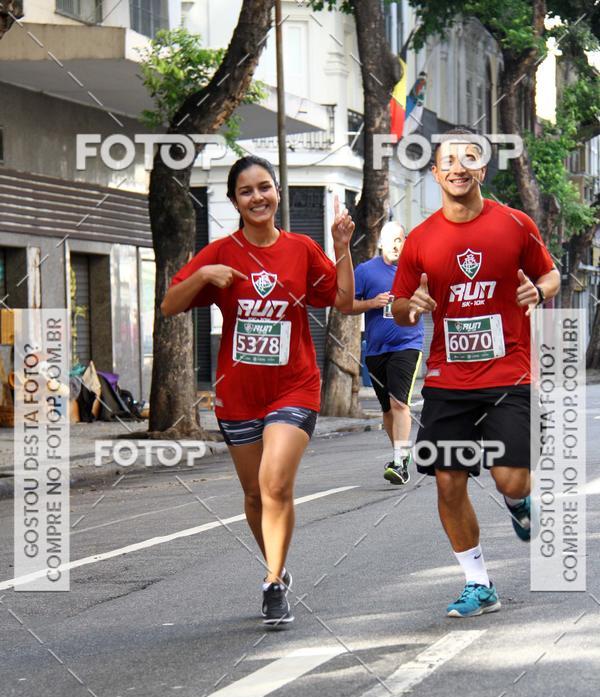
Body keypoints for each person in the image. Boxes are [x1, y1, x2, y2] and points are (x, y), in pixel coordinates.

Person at [161, 155, 355, 626]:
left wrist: (341, 248)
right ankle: (278, 566)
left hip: (294, 387)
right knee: (254, 496)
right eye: (246, 191)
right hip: (238, 394)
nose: (257, 197)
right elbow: (170, 305)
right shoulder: (220, 253)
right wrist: (203, 276)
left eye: (264, 187)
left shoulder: (301, 249)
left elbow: (343, 300)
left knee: (275, 483)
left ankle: (271, 584)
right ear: (234, 202)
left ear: (278, 193)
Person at [391, 127, 560, 618]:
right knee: (448, 481)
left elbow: (549, 273)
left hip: (510, 376)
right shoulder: (420, 240)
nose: (458, 168)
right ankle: (478, 582)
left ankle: (519, 503)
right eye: (449, 160)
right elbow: (399, 307)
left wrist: (539, 291)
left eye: (469, 158)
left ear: (482, 169)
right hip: (448, 380)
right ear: (435, 172)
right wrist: (411, 305)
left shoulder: (515, 224)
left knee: (511, 481)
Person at [348, 221, 424, 484]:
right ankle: (400, 454)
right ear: (380, 242)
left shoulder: (416, 271)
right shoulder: (365, 271)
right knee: (387, 409)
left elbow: (432, 298)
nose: (395, 245)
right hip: (376, 350)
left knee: (399, 403)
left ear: (406, 243)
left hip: (407, 344)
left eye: (400, 239)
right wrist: (372, 302)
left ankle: (400, 462)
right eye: (390, 239)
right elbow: (347, 305)